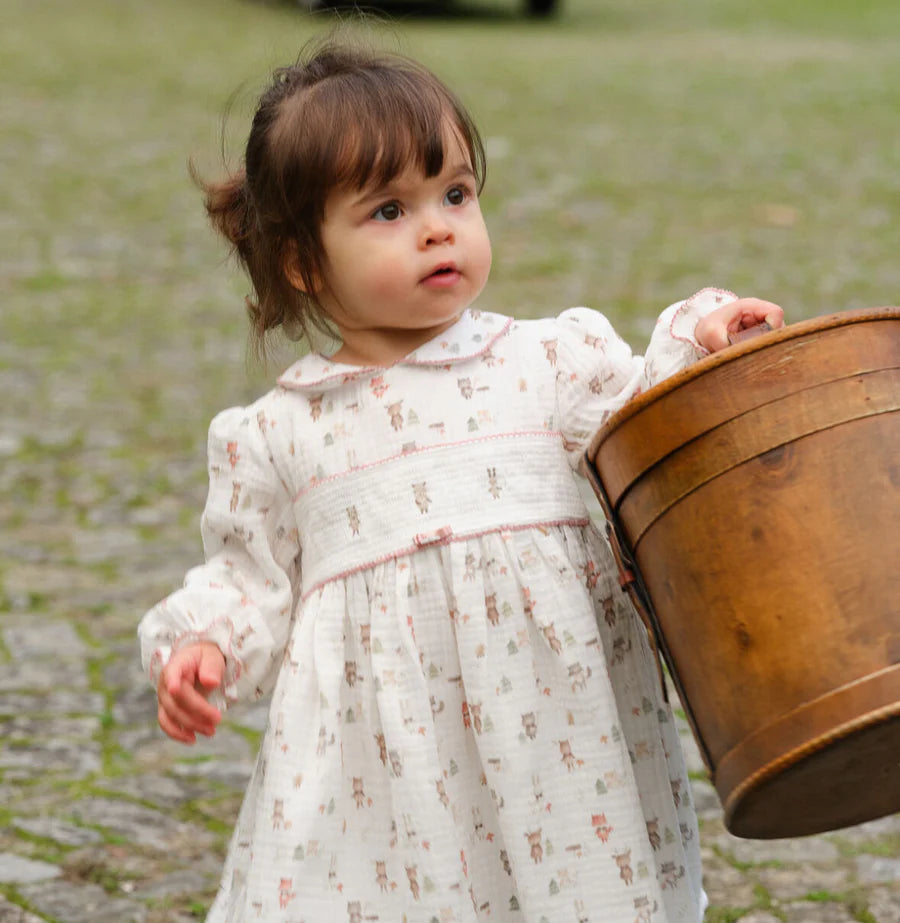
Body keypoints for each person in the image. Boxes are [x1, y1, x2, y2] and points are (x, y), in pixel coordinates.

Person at [138, 39, 783, 922]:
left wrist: (700, 339)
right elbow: (251, 577)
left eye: (455, 193)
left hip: (558, 737)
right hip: (387, 767)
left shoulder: (551, 361)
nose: (439, 226)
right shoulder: (282, 432)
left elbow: (644, 420)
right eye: (388, 210)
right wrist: (204, 645)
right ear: (300, 261)